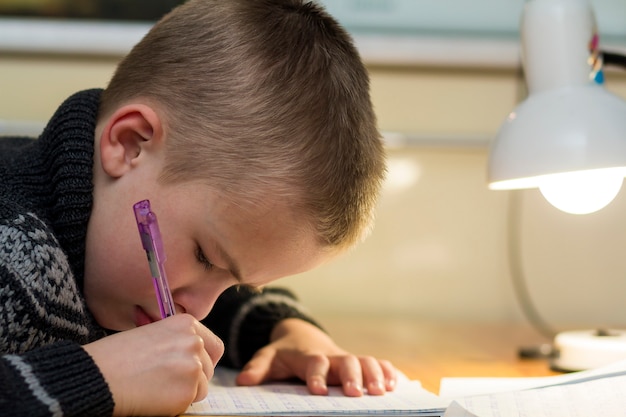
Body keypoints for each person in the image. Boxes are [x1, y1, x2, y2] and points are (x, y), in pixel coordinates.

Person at [0, 0, 393, 416]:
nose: (201, 310)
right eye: (205, 256)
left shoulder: (109, 242)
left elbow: (217, 303)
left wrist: (285, 330)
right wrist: (97, 375)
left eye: (235, 283)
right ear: (129, 144)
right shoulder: (13, 255)